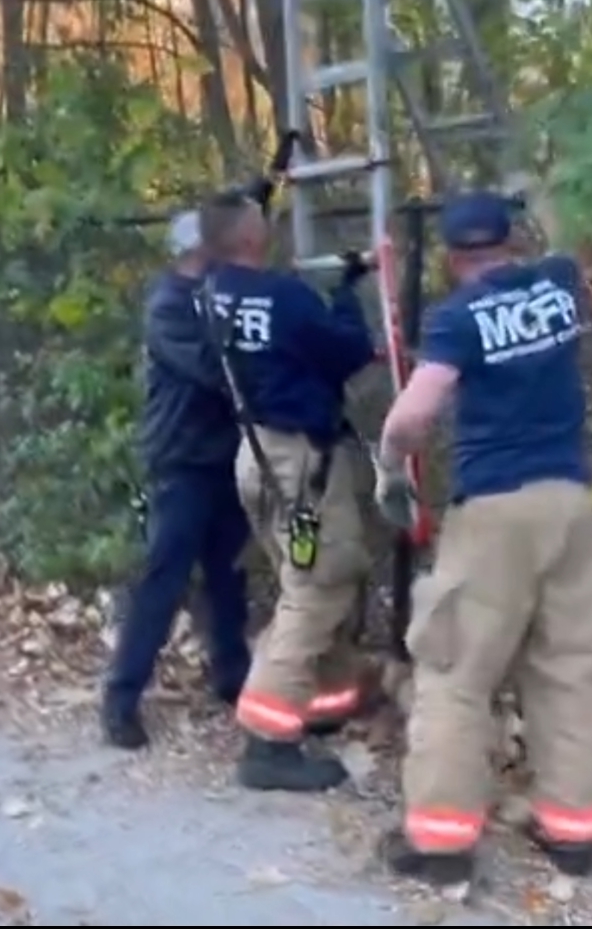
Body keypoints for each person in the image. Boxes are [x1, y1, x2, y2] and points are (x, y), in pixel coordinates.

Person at [371, 187, 592, 885]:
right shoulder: (557, 281)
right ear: (512, 241)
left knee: (456, 672)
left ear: (453, 257)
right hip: (570, 500)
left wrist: (391, 466)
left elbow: (411, 416)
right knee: (568, 665)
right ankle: (577, 831)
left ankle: (442, 845)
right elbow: (576, 237)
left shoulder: (458, 319)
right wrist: (539, 187)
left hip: (496, 512)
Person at [196, 188, 379, 792]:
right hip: (301, 465)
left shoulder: (210, 293)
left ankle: (321, 703)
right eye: (260, 220)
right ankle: (267, 740)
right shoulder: (284, 296)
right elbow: (347, 352)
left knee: (304, 581)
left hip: (254, 457)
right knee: (320, 589)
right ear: (250, 237)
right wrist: (349, 293)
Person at [102, 209, 253, 750]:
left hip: (225, 456)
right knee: (164, 580)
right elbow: (216, 372)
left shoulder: (219, 295)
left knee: (228, 575)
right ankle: (120, 699)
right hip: (182, 461)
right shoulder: (169, 305)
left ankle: (232, 676)